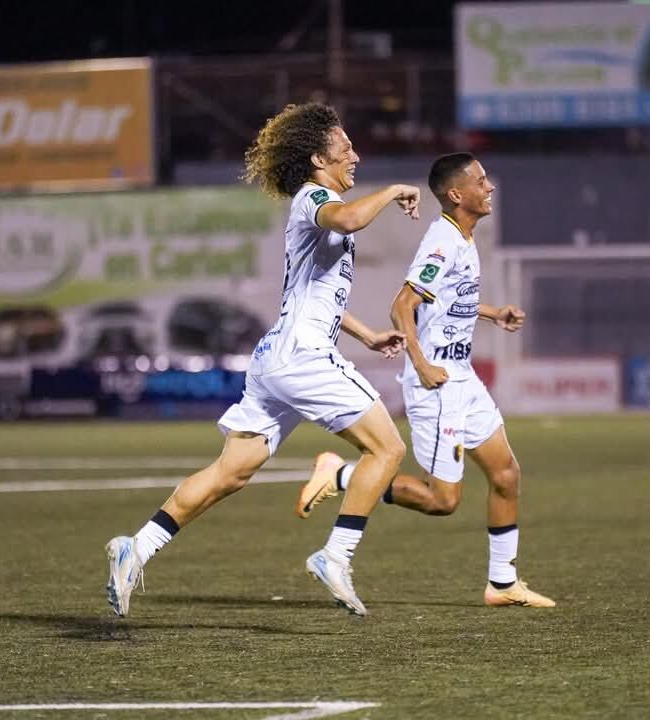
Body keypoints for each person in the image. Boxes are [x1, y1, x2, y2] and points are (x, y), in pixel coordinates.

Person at [104, 103, 420, 617]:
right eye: (346, 148)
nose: (355, 156)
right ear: (318, 159)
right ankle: (336, 555)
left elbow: (311, 294)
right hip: (303, 358)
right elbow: (351, 217)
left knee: (231, 472)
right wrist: (393, 190)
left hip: (277, 357)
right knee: (387, 449)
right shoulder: (316, 198)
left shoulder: (317, 207)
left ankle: (135, 548)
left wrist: (364, 335)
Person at [295, 153, 555, 608]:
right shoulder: (443, 240)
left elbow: (448, 300)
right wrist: (421, 363)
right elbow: (403, 304)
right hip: (437, 384)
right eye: (480, 181)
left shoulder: (463, 238)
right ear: (456, 194)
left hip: (462, 377)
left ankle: (502, 583)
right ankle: (341, 474)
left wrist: (493, 313)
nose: (489, 187)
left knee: (506, 474)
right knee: (442, 501)